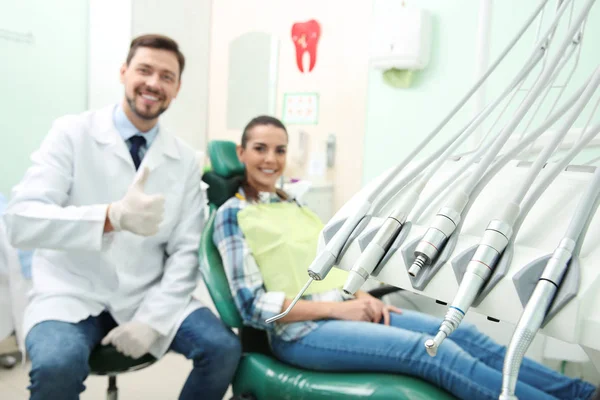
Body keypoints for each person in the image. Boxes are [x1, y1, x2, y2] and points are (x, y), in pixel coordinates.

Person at [213, 115, 597, 400]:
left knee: (463, 333)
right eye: (260, 148)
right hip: (298, 332)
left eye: (279, 149)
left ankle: (581, 394)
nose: (270, 159)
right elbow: (251, 307)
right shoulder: (232, 214)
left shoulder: (296, 205)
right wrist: (338, 311)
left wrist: (357, 298)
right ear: (241, 153)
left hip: (344, 309)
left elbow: (325, 272)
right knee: (433, 351)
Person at [3, 34, 241, 400]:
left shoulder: (183, 160)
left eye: (167, 76)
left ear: (176, 89)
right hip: (70, 292)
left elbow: (186, 251)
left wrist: (152, 320)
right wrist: (110, 217)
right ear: (123, 72)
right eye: (144, 70)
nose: (153, 83)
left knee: (223, 349)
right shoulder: (71, 134)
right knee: (57, 366)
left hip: (148, 293)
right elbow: (21, 221)